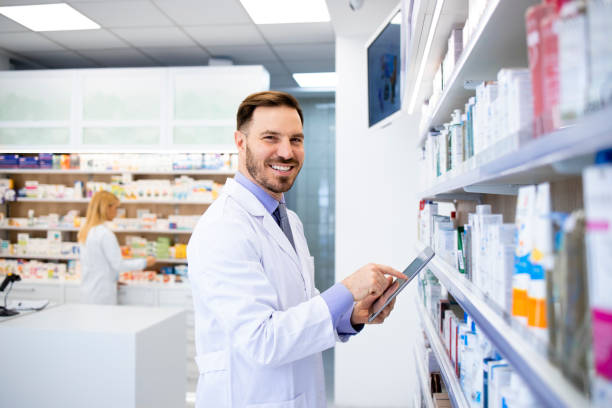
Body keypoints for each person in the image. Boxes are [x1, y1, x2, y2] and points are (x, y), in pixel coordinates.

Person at [187, 91, 406, 408]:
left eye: (296, 140)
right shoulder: (223, 228)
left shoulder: (288, 220)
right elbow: (262, 340)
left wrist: (351, 316)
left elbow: (297, 308)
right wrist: (347, 288)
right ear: (240, 142)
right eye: (270, 138)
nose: (286, 152)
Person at [78, 191, 155, 304]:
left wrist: (113, 279)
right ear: (106, 208)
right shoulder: (105, 234)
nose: (117, 212)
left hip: (88, 291)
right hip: (102, 294)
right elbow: (118, 264)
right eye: (115, 208)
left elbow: (97, 264)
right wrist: (145, 262)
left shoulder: (85, 231)